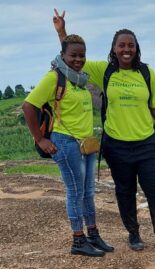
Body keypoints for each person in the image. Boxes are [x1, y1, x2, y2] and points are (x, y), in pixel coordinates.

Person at [52, 10, 155, 260]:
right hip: (117, 146)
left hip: (146, 143)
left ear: (136, 48)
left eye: (131, 45)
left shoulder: (146, 73)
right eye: (122, 45)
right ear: (114, 48)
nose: (126, 49)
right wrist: (62, 33)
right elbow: (72, 59)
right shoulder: (104, 71)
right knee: (124, 191)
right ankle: (133, 233)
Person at [22, 34, 114, 257]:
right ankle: (78, 240)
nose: (78, 59)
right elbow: (28, 106)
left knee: (88, 192)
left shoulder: (80, 79)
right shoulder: (54, 77)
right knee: (75, 191)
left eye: (82, 55)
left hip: (86, 142)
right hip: (66, 142)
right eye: (73, 55)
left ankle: (93, 234)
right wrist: (40, 139)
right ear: (63, 55)